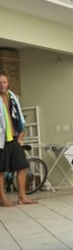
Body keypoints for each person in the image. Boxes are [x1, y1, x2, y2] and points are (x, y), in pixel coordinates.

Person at [0, 71, 37, 206]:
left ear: (8, 83)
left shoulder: (12, 97)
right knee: (1, 170)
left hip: (15, 137)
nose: (1, 85)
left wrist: (22, 132)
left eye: (4, 82)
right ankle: (2, 198)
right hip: (1, 139)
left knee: (22, 166)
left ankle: (22, 197)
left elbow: (19, 115)